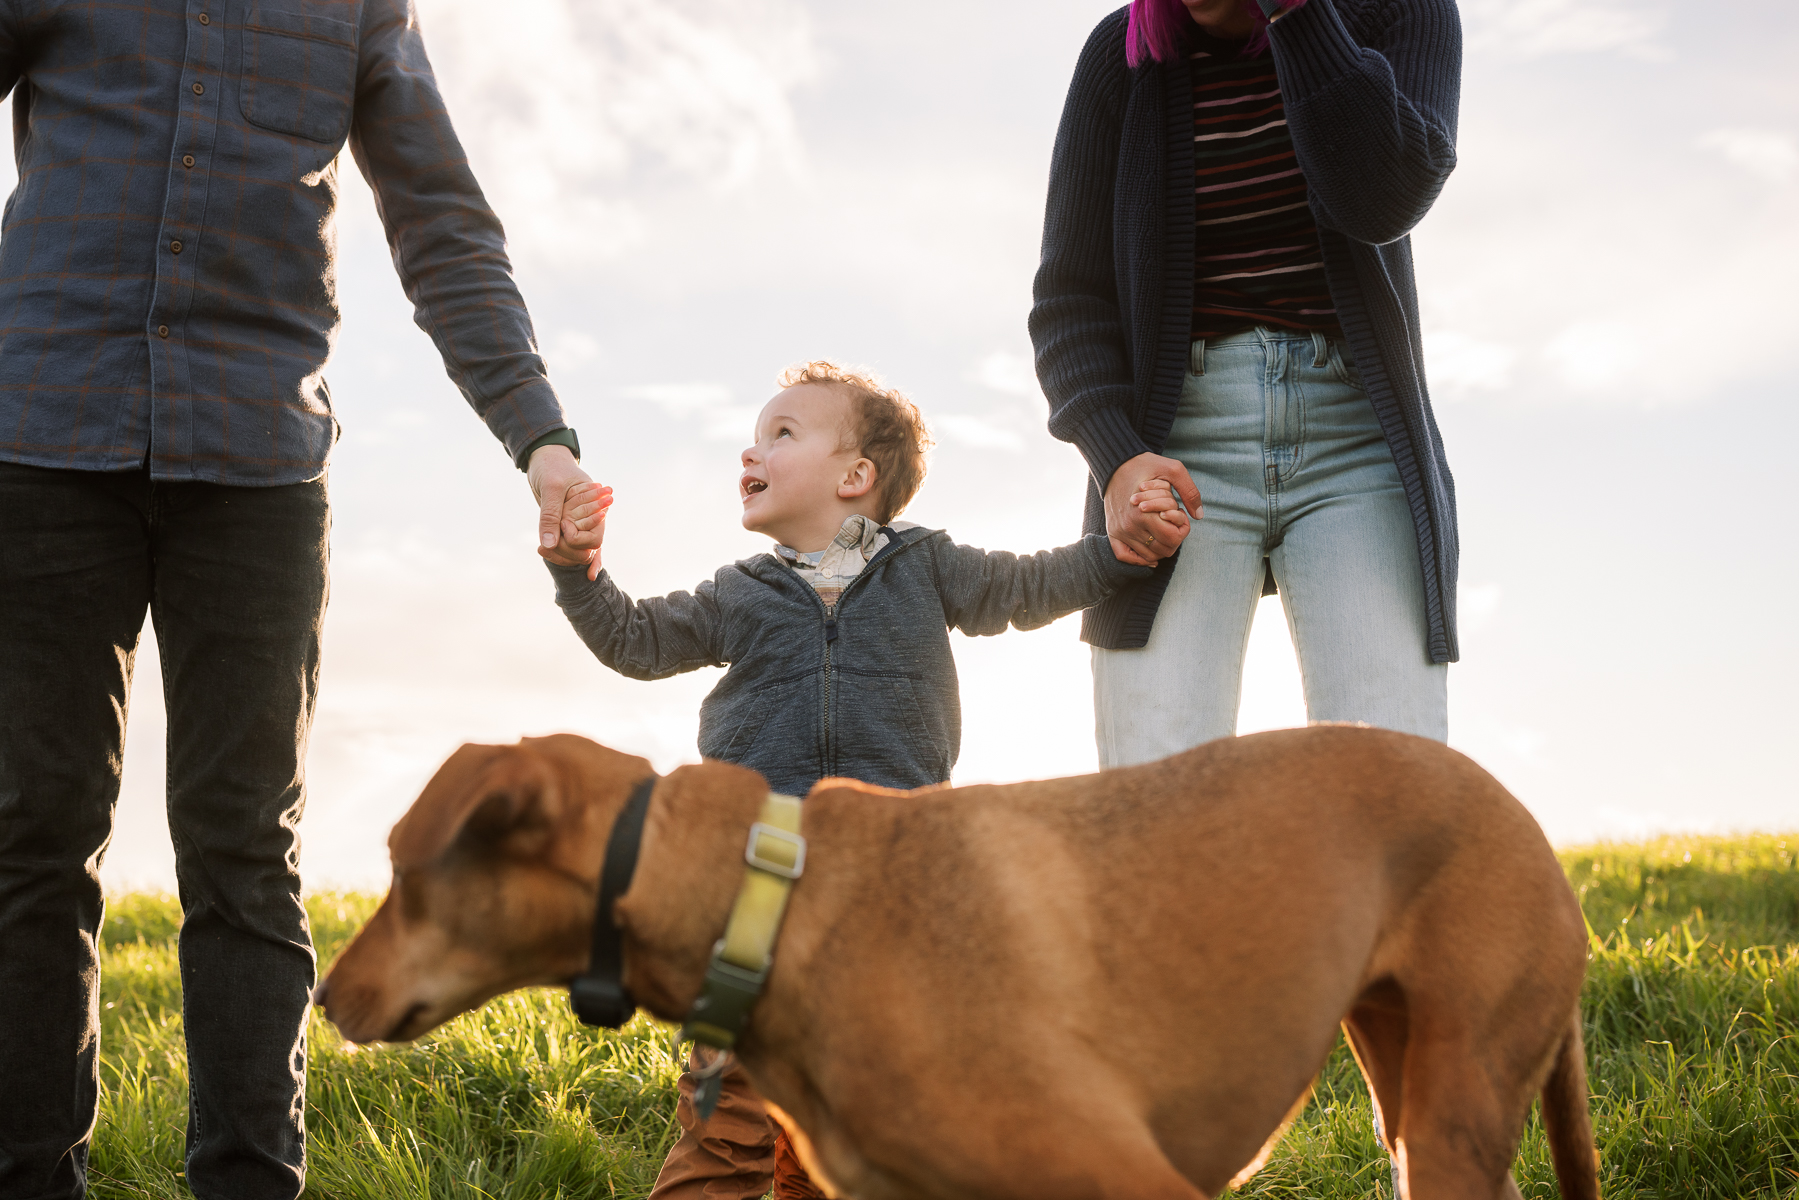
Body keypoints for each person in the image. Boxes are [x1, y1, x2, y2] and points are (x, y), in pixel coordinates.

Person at [0, 3, 599, 1197]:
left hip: (256, 472)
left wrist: (540, 439)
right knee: (32, 833)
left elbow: (441, 228)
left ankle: (247, 1181)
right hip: (43, 442)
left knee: (243, 850)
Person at [547, 360, 1166, 1200]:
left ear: (855, 477)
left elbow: (1027, 584)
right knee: (731, 1116)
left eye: (781, 433)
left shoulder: (925, 567)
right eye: (756, 435)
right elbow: (635, 641)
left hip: (891, 886)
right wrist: (576, 571)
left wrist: (1116, 552)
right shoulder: (739, 591)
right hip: (753, 887)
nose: (750, 450)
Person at [1030, 0, 1464, 766]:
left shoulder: (1400, 12)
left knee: (1389, 784)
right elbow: (1069, 298)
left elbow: (1383, 201)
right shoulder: (1118, 56)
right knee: (1154, 798)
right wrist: (1115, 456)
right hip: (1172, 449)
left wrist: (1299, 15)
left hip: (1356, 444)